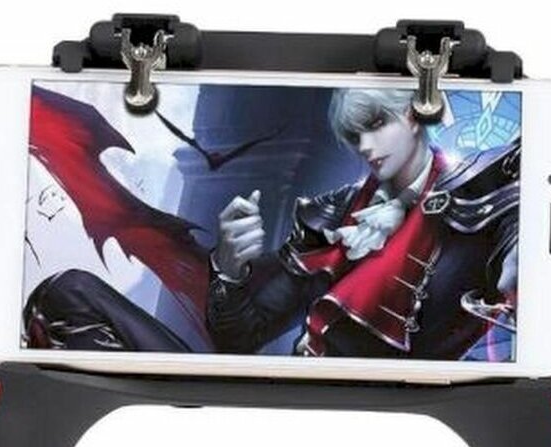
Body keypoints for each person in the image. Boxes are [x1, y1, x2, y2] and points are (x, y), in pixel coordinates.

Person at [206, 87, 520, 359]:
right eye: (355, 136)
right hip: (316, 391)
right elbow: (243, 336)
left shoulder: (476, 192)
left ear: (413, 116)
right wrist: (229, 271)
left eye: (376, 124)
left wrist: (518, 259)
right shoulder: (332, 213)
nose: (365, 146)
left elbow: (513, 234)